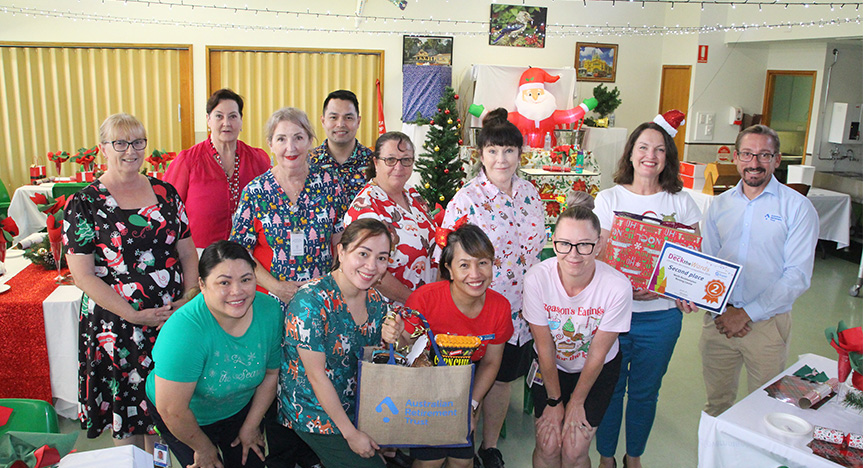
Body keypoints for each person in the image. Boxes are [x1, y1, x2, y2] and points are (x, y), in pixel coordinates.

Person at [63, 113, 198, 450]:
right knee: (128, 417)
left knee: (168, 407)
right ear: (102, 149)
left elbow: (188, 253)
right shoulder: (85, 202)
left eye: (138, 142)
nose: (130, 151)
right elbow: (82, 275)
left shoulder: (166, 192)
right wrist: (132, 314)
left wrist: (189, 297)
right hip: (117, 322)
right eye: (120, 143)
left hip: (170, 318)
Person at [230, 107, 346, 468]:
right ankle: (279, 451)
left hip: (318, 304)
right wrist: (275, 286)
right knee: (274, 375)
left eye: (298, 137)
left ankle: (315, 451)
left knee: (317, 373)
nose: (290, 146)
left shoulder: (330, 185)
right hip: (270, 302)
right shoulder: (257, 191)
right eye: (281, 138)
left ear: (311, 141)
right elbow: (239, 251)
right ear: (270, 145)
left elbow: (340, 242)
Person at [592, 112, 701, 468]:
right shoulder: (608, 199)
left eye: (659, 149)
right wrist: (626, 288)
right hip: (614, 317)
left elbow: (694, 262)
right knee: (609, 390)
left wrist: (678, 290)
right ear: (631, 153)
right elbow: (600, 254)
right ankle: (606, 455)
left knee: (644, 393)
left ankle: (633, 455)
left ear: (668, 157)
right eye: (642, 147)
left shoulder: (681, 203)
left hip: (661, 319)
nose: (649, 155)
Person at [441, 107, 546, 468]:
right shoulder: (466, 199)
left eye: (509, 151)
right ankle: (461, 449)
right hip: (475, 307)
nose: (501, 159)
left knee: (503, 379)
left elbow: (535, 251)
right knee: (469, 380)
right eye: (492, 151)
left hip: (518, 309)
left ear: (520, 154)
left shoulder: (532, 194)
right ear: (480, 155)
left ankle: (489, 447)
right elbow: (450, 256)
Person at [700, 124, 818, 416]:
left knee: (767, 411)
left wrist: (746, 313)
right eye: (747, 154)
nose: (754, 163)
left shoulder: (798, 208)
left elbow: (797, 276)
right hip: (719, 321)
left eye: (764, 155)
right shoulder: (719, 205)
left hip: (766, 325)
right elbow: (707, 261)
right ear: (736, 158)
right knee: (717, 405)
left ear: (777, 160)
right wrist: (725, 310)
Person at [279, 218, 405, 468]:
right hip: (313, 411)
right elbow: (316, 378)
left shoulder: (376, 300)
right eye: (363, 254)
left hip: (358, 404)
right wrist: (351, 434)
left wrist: (398, 335)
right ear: (341, 251)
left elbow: (390, 355)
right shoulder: (310, 302)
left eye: (381, 258)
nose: (372, 266)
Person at [146, 240, 282, 468]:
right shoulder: (184, 330)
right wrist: (203, 448)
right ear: (202, 284)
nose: (237, 291)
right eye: (224, 282)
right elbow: (172, 409)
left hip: (238, 406)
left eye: (246, 280)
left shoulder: (269, 311)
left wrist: (251, 426)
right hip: (185, 416)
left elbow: (270, 374)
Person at [523, 206, 632, 468]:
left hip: (597, 370)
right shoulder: (537, 278)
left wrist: (576, 402)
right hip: (551, 368)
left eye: (583, 245)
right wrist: (554, 400)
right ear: (554, 241)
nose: (572, 254)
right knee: (548, 445)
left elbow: (598, 352)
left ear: (598, 245)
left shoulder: (617, 287)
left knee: (574, 448)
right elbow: (544, 346)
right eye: (564, 244)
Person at [404, 223, 513, 468]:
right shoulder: (425, 299)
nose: (475, 274)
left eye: (483, 262)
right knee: (430, 463)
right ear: (449, 270)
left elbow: (491, 362)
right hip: (424, 388)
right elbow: (406, 353)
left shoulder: (500, 307)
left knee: (462, 462)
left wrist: (469, 407)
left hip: (464, 388)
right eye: (464, 265)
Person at [164, 88, 271, 249]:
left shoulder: (258, 159)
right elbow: (168, 209)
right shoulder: (188, 161)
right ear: (208, 120)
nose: (226, 123)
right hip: (200, 255)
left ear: (241, 121)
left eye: (233, 116)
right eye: (219, 116)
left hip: (248, 254)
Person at [344, 131, 436, 305]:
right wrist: (415, 301)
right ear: (376, 162)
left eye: (406, 160)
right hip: (388, 314)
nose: (399, 167)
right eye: (390, 160)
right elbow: (368, 268)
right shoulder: (366, 207)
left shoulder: (413, 194)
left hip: (425, 307)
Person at [310, 90, 373, 201]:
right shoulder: (308, 162)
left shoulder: (374, 163)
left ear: (358, 122)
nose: (340, 124)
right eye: (334, 117)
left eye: (348, 118)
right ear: (323, 121)